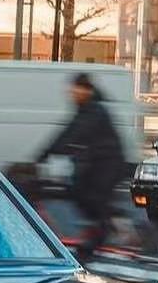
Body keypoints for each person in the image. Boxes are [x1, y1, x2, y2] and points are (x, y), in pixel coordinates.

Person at [40, 73, 127, 260]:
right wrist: (44, 154)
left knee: (93, 199)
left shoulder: (95, 111)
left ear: (87, 91)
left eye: (77, 90)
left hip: (109, 163)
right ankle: (104, 226)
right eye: (72, 91)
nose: (73, 94)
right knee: (77, 192)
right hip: (96, 163)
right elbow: (67, 133)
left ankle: (100, 236)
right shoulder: (84, 110)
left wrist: (52, 153)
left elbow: (76, 133)